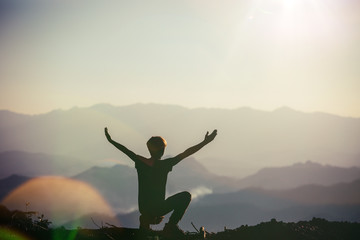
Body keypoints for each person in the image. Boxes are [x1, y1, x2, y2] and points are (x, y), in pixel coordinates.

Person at [104, 127, 217, 238]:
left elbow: (126, 150)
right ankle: (170, 227)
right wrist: (205, 142)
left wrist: (111, 140)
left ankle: (145, 226)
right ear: (162, 150)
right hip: (158, 209)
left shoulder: (140, 162)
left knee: (146, 221)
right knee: (186, 196)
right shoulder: (165, 165)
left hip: (144, 209)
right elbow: (187, 152)